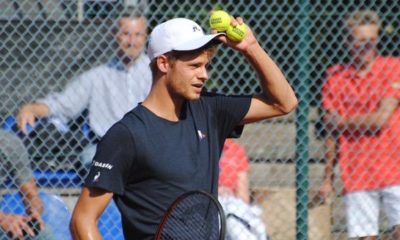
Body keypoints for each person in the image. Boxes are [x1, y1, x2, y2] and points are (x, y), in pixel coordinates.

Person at [70, 15, 297, 239]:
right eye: (194, 66)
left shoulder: (210, 110)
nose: (204, 74)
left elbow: (284, 103)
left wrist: (251, 47)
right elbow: (82, 220)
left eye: (205, 65)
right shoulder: (127, 135)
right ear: (163, 63)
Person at [15, 12, 152, 170]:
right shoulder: (96, 77)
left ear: (146, 37)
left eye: (138, 34)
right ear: (115, 35)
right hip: (109, 148)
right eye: (126, 34)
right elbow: (63, 105)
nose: (132, 41)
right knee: (90, 157)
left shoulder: (157, 73)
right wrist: (30, 108)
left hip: (149, 145)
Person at [319, 10, 400, 240]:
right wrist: (327, 179)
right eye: (361, 41)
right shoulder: (334, 77)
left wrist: (343, 121)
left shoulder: (393, 67)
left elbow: (380, 119)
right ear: (347, 42)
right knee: (366, 237)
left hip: (395, 169)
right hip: (356, 171)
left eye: (372, 41)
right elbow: (330, 133)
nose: (367, 47)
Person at [0, 130, 54, 239]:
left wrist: (34, 212)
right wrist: (2, 219)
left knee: (43, 233)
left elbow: (31, 194)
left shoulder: (9, 143)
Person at [219, 139, 267, 240]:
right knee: (232, 223)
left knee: (255, 227)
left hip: (232, 203)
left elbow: (243, 195)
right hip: (210, 199)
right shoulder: (201, 146)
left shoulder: (234, 149)